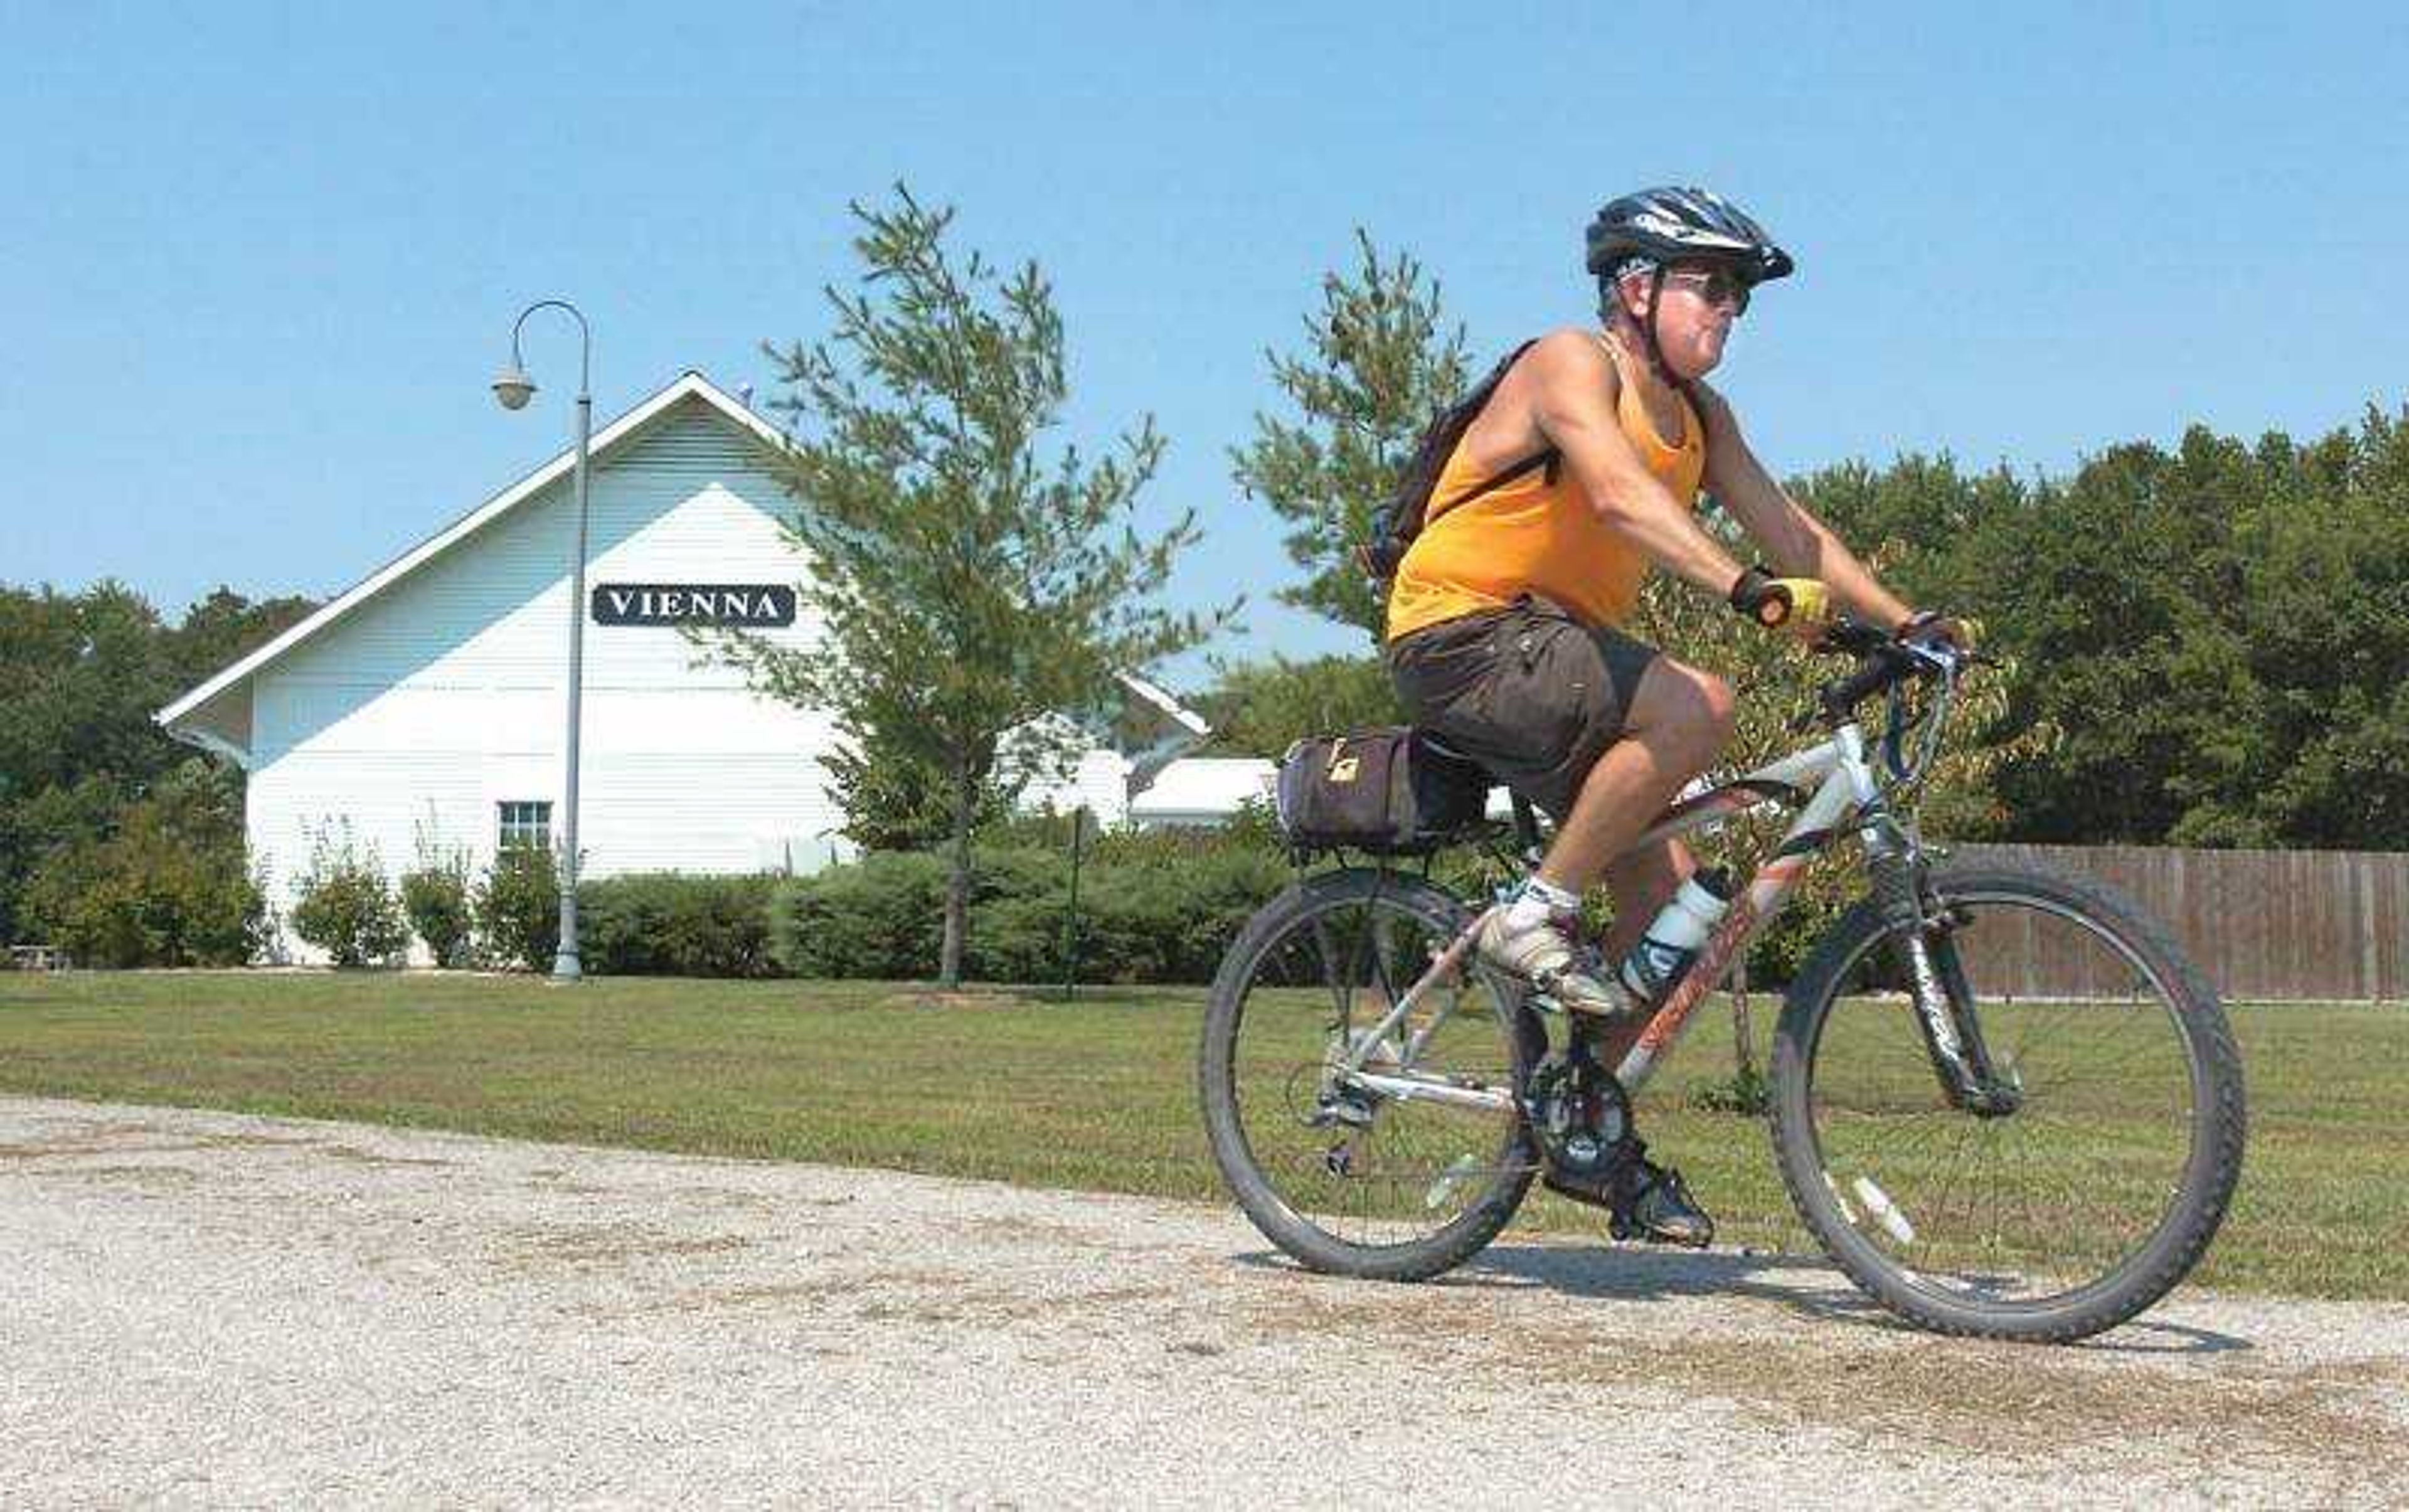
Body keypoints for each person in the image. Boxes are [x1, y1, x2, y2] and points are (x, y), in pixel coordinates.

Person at [1383, 186, 1964, 1243]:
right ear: (1636, 288)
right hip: (1462, 633)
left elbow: (1794, 531)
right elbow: (1615, 495)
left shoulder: (1702, 419)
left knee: (1683, 926)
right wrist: (1744, 591)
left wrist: (1906, 620)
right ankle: (1536, 911)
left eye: (1738, 297)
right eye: (1710, 288)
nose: (1727, 313)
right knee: (1700, 702)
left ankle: (1584, 1125)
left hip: (1556, 662)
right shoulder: (1571, 361)